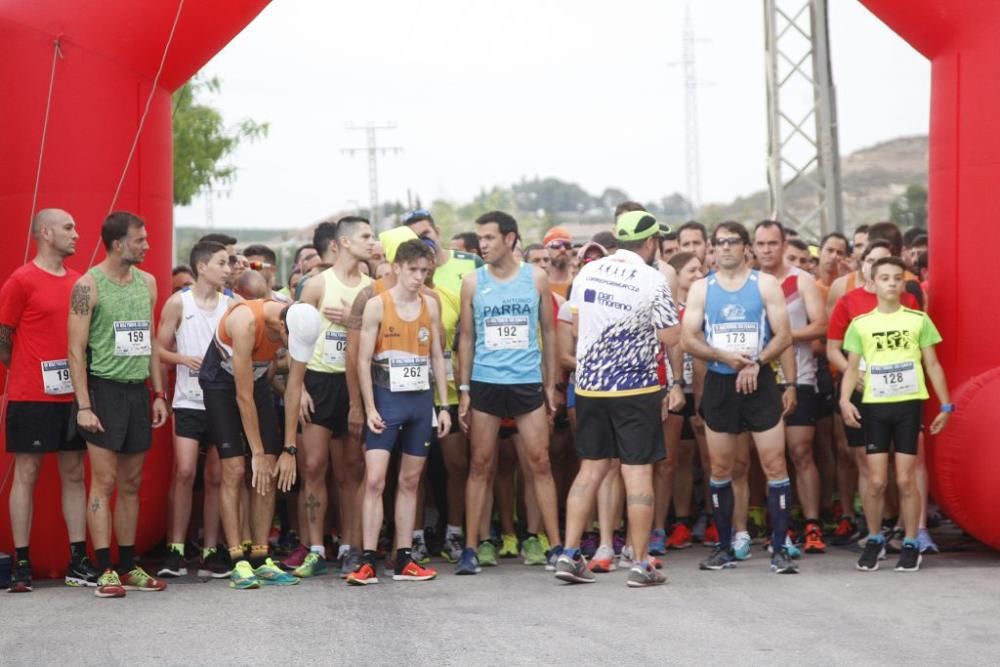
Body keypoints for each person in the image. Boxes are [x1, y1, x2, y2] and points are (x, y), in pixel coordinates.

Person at [553, 210, 681, 587]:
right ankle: (641, 563)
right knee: (637, 472)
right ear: (651, 242)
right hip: (636, 388)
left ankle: (568, 554)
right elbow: (671, 337)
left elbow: (574, 325)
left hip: (589, 384)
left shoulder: (588, 271)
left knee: (590, 470)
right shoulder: (652, 278)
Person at [681, 221, 799, 574]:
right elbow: (688, 339)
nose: (726, 248)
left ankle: (779, 549)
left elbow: (784, 334)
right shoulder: (702, 288)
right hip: (720, 383)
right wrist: (722, 357)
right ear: (712, 250)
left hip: (759, 381)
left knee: (774, 464)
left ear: (746, 247)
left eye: (733, 241)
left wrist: (757, 362)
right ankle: (724, 547)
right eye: (720, 243)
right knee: (720, 468)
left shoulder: (764, 284)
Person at [67, 211, 170, 598]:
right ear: (117, 244)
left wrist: (158, 394)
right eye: (139, 240)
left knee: (131, 483)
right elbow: (75, 351)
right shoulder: (87, 285)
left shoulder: (148, 282)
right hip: (103, 391)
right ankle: (104, 568)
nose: (147, 245)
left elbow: (150, 344)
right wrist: (84, 405)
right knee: (105, 481)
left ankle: (128, 567)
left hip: (137, 391)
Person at [455, 211, 564, 574]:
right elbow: (466, 338)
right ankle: (471, 548)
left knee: (540, 463)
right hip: (486, 382)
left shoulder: (536, 278)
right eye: (480, 238)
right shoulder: (472, 282)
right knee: (481, 465)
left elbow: (549, 332)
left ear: (510, 239)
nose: (482, 244)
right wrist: (465, 389)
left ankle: (555, 545)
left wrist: (550, 384)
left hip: (526, 382)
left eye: (489, 238)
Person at [1, 209, 98, 593]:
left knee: (74, 473)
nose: (77, 234)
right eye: (68, 227)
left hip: (74, 395)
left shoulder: (80, 283)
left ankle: (78, 558)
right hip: (31, 394)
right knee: (26, 472)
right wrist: (22, 368)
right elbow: (3, 334)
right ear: (45, 233)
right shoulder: (21, 280)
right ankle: (22, 562)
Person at [347, 240, 451, 585]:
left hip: (420, 403)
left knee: (409, 481)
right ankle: (367, 559)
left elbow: (437, 356)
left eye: (425, 271)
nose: (419, 277)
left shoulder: (430, 306)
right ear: (396, 268)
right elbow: (362, 361)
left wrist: (443, 406)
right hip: (386, 401)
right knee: (375, 480)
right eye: (413, 270)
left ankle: (405, 558)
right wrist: (369, 407)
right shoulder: (378, 305)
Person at [198, 294, 320, 589]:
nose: (290, 350)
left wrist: (289, 448)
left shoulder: (300, 319)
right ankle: (237, 558)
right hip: (221, 383)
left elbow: (293, 389)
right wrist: (255, 451)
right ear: (281, 326)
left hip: (257, 381)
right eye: (289, 343)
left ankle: (261, 556)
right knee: (237, 469)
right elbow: (242, 396)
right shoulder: (245, 321)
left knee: (268, 465)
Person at [839, 256, 951, 572]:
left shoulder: (917, 320)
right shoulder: (861, 324)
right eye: (884, 277)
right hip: (874, 407)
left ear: (903, 283)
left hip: (908, 406)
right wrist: (845, 401)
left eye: (896, 278)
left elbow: (932, 365)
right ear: (872, 284)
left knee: (904, 478)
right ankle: (875, 538)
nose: (890, 282)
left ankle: (912, 540)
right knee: (875, 480)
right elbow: (850, 368)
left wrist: (945, 405)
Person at [297, 217, 374, 577]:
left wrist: (352, 320)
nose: (371, 242)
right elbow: (293, 341)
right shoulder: (316, 285)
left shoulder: (372, 289)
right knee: (313, 466)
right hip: (319, 380)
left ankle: (350, 545)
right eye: (365, 236)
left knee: (352, 470)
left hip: (354, 383)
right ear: (343, 243)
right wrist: (296, 392)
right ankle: (314, 547)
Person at [155, 241, 232, 579]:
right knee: (185, 472)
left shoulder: (232, 305)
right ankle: (175, 548)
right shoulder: (178, 302)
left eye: (229, 263)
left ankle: (211, 551)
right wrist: (182, 359)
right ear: (202, 267)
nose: (228, 269)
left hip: (222, 401)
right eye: (222, 263)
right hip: (187, 398)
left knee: (216, 476)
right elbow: (156, 349)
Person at [753, 221, 828, 555]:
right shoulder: (748, 282)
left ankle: (812, 524)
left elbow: (821, 325)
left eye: (772, 243)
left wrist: (783, 335)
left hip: (801, 375)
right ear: (752, 247)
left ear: (784, 244)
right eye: (761, 244)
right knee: (770, 457)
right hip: (759, 378)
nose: (766, 249)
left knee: (801, 451)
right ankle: (779, 526)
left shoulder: (803, 280)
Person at [542, 226, 574, 299]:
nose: (563, 249)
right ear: (545, 250)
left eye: (567, 245)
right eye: (556, 245)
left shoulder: (578, 282)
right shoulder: (538, 284)